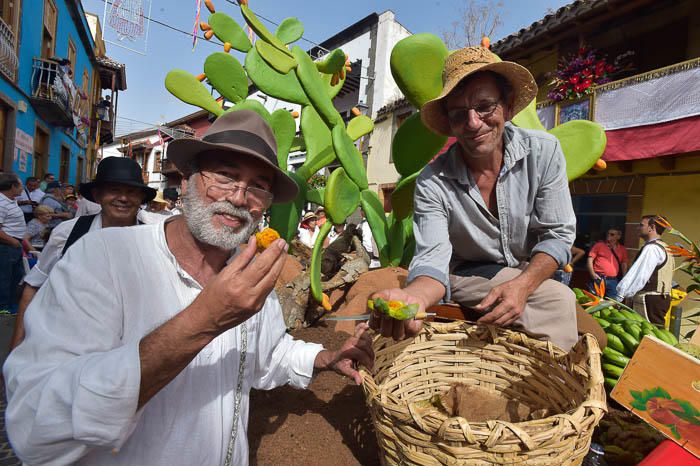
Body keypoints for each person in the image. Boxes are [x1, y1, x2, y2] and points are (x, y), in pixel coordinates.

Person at [4, 110, 373, 465]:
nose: (240, 197)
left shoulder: (246, 274)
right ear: (186, 181)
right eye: (225, 176)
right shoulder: (101, 260)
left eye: (259, 187)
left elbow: (267, 355)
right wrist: (204, 320)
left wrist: (324, 358)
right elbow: (34, 424)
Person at [371, 46, 578, 350]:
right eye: (458, 114)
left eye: (484, 106)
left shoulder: (544, 152)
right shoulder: (433, 181)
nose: (472, 123)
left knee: (589, 329)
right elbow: (433, 258)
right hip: (467, 275)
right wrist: (414, 298)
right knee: (559, 300)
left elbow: (558, 235)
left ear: (506, 106)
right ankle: (542, 387)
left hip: (528, 270)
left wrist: (523, 285)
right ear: (450, 123)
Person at [9, 157, 156, 349]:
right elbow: (34, 287)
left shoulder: (151, 240)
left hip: (125, 352)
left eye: (131, 192)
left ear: (141, 199)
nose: (123, 198)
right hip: (65, 345)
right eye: (114, 190)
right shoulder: (68, 233)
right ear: (97, 196)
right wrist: (15, 347)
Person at [614, 215, 674, 324]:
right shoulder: (665, 247)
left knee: (648, 335)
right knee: (655, 333)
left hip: (650, 300)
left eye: (641, 225)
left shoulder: (652, 248)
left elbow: (638, 276)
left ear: (651, 227)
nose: (638, 228)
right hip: (660, 298)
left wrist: (620, 296)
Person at [0, 173, 26, 313]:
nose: (23, 188)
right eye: (20, 185)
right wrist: (13, 242)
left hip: (14, 245)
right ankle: (3, 307)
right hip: (7, 246)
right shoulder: (1, 202)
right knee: (4, 277)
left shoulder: (10, 200)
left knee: (15, 276)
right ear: (12, 186)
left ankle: (10, 304)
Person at [586, 227, 628, 297]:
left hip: (613, 280)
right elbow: (590, 259)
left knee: (613, 302)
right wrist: (592, 274)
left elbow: (624, 264)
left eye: (612, 234)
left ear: (618, 236)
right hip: (598, 277)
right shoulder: (599, 245)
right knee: (594, 301)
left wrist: (624, 278)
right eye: (608, 233)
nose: (609, 235)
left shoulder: (622, 249)